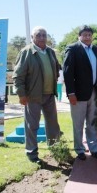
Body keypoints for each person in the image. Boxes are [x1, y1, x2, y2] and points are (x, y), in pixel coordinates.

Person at [13, 26, 61, 164]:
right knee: (32, 125)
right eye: (38, 35)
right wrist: (22, 94)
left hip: (49, 95)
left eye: (44, 35)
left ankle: (55, 148)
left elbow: (56, 68)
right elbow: (18, 76)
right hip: (32, 96)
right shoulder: (27, 52)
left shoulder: (50, 51)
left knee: (53, 124)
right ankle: (32, 152)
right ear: (33, 37)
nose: (41, 37)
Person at [63, 25, 97, 160]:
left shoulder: (96, 50)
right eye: (84, 35)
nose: (87, 37)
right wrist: (71, 93)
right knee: (78, 123)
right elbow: (68, 72)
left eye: (89, 35)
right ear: (79, 36)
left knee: (92, 122)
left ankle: (94, 148)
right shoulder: (73, 49)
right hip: (78, 94)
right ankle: (79, 149)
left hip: (94, 92)